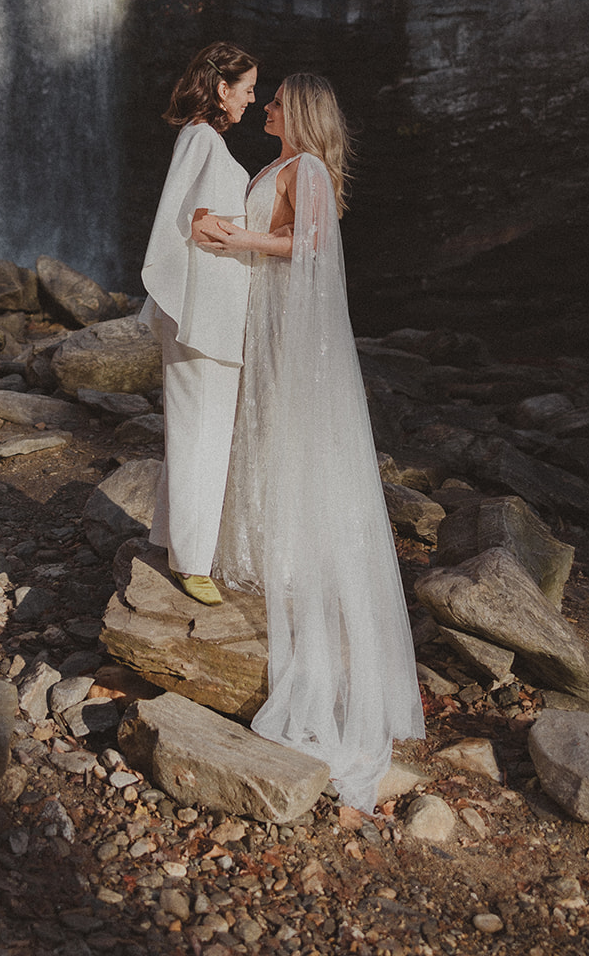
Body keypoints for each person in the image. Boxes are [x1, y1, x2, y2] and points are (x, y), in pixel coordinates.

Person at [196, 72, 424, 812]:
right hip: (264, 309)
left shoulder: (309, 169)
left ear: (297, 111)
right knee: (261, 429)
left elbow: (311, 243)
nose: (263, 107)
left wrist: (239, 238)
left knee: (289, 432)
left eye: (274, 102)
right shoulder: (281, 165)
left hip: (290, 320)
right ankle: (265, 551)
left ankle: (295, 562)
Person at [140, 41, 258, 606]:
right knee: (201, 431)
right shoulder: (203, 138)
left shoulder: (201, 138)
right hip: (202, 310)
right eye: (248, 89)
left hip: (209, 307)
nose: (252, 100)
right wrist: (264, 239)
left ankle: (174, 541)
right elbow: (196, 224)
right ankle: (192, 563)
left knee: (199, 426)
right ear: (222, 88)